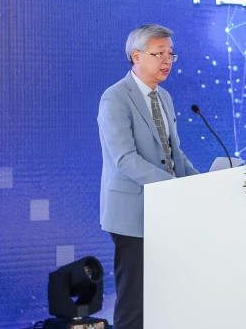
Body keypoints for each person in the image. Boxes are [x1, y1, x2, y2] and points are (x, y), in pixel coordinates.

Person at [98, 24, 199, 329]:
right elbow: (125, 158)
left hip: (166, 211)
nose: (167, 61)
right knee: (135, 303)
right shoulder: (115, 98)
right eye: (159, 54)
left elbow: (173, 153)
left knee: (166, 297)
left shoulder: (164, 97)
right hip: (133, 213)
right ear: (136, 56)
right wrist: (172, 188)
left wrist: (199, 183)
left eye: (171, 54)